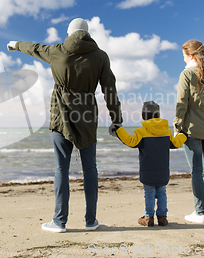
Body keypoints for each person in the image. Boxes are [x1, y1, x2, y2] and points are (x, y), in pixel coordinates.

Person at [7, 18, 123, 233]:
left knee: (62, 168)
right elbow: (110, 89)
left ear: (69, 33)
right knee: (90, 169)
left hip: (61, 117)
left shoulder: (57, 51)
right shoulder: (101, 57)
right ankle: (91, 221)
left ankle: (60, 222)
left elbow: (34, 48)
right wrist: (117, 120)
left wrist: (15, 44)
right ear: (87, 33)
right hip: (88, 118)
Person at [111, 101, 186, 227]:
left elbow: (130, 141)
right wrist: (183, 134)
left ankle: (148, 217)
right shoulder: (166, 131)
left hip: (147, 170)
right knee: (162, 193)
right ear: (158, 115)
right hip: (162, 170)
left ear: (143, 116)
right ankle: (162, 217)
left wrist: (119, 130)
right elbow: (175, 143)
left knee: (149, 193)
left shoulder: (141, 132)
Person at [173, 40, 204, 223]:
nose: (183, 59)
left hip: (192, 129)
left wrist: (177, 128)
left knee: (196, 171)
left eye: (184, 56)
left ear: (191, 55)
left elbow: (181, 104)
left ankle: (199, 213)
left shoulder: (187, 74)